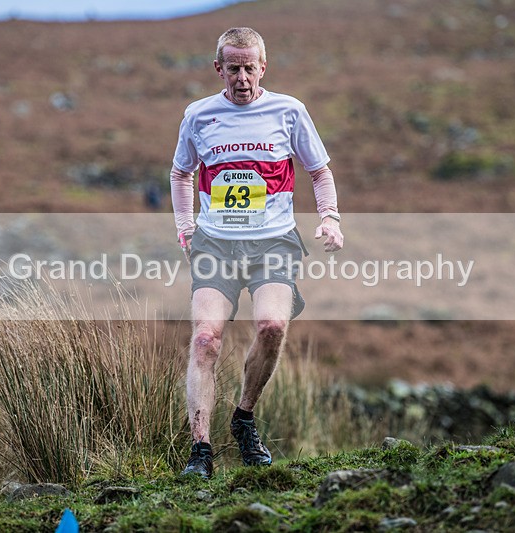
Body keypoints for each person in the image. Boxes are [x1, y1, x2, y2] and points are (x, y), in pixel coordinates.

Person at [170, 27, 343, 478]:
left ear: (263, 66)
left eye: (250, 68)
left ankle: (243, 418)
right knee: (206, 339)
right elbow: (180, 174)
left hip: (274, 242)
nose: (242, 77)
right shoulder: (199, 115)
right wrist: (186, 228)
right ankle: (200, 452)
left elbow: (319, 172)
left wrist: (329, 218)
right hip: (216, 244)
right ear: (218, 69)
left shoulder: (289, 111)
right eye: (233, 68)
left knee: (271, 327)